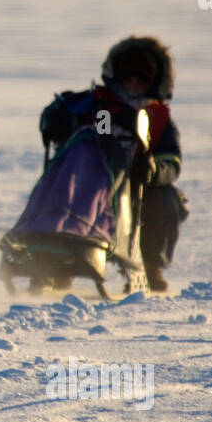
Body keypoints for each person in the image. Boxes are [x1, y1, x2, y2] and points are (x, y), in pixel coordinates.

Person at [37, 36, 188, 291]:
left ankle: (150, 265)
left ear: (153, 84)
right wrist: (56, 119)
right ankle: (54, 259)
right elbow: (63, 121)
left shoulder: (158, 120)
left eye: (140, 80)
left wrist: (153, 170)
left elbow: (171, 164)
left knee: (168, 199)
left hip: (136, 189)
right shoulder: (95, 104)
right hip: (88, 180)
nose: (133, 85)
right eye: (128, 78)